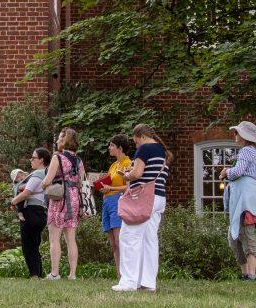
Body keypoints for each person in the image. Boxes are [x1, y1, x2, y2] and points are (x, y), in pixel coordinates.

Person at [115, 123, 168, 292]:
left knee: (129, 236)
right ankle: (148, 282)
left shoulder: (144, 149)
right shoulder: (162, 150)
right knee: (149, 240)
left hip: (144, 198)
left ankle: (128, 282)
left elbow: (137, 174)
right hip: (159, 197)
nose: (136, 145)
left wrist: (127, 174)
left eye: (136, 142)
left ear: (142, 137)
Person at [42, 127, 85, 280]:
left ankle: (55, 273)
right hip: (74, 200)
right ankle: (72, 274)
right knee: (71, 239)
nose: (57, 141)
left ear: (65, 140)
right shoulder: (79, 160)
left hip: (59, 200)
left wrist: (42, 185)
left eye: (60, 138)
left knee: (54, 237)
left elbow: (47, 180)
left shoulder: (58, 157)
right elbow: (81, 182)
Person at [222, 121, 256, 281]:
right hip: (244, 196)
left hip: (245, 199)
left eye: (237, 133)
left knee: (247, 234)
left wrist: (227, 171)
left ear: (245, 136)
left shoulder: (247, 151)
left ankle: (251, 274)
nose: (235, 135)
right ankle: (245, 273)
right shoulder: (252, 152)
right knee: (234, 237)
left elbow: (238, 172)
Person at [94, 135, 135, 272]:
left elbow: (128, 187)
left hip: (118, 201)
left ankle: (127, 274)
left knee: (119, 240)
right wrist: (103, 186)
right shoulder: (113, 165)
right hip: (107, 201)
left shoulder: (128, 164)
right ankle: (119, 274)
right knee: (113, 243)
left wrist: (111, 188)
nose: (109, 148)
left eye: (112, 145)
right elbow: (110, 183)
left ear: (120, 148)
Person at [11, 148, 50, 278]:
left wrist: (13, 201)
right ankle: (38, 274)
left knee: (29, 246)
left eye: (33, 158)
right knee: (35, 244)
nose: (31, 160)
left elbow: (26, 193)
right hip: (41, 212)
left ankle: (34, 275)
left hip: (32, 212)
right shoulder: (46, 173)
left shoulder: (38, 174)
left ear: (41, 160)